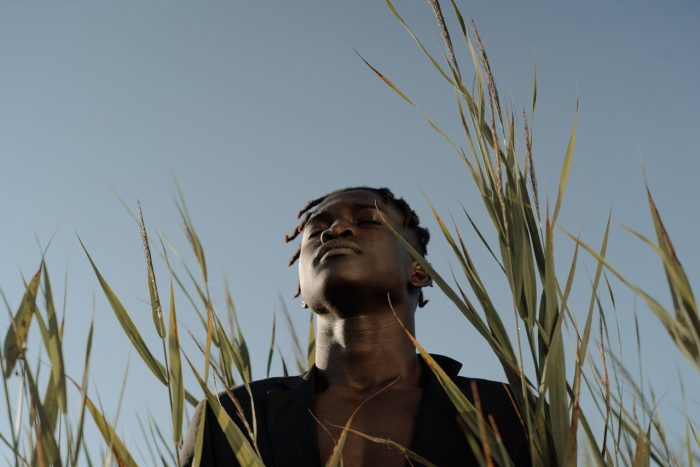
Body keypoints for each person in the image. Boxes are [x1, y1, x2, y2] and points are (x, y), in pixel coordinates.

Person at [180, 187, 530, 466]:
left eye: (368, 220)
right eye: (316, 230)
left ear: (419, 270)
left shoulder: (507, 411)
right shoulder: (228, 419)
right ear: (300, 286)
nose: (335, 230)